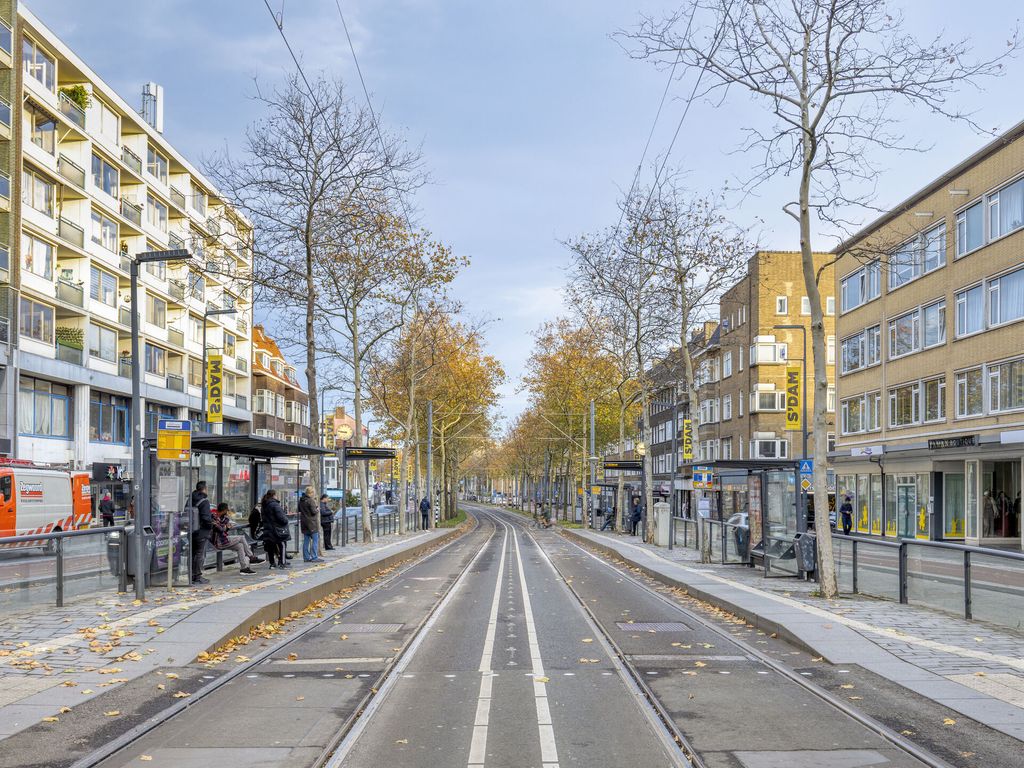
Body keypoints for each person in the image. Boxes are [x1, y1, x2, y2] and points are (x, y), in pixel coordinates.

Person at [211, 503, 264, 574]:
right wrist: (226, 527)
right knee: (241, 537)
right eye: (226, 510)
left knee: (240, 546)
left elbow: (223, 529)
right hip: (218, 542)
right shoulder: (214, 516)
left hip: (223, 540)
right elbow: (219, 529)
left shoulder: (224, 518)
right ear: (224, 510)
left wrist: (227, 526)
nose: (227, 512)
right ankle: (251, 557)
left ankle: (244, 568)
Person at [190, 481, 214, 585]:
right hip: (201, 531)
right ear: (204, 489)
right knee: (199, 554)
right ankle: (197, 576)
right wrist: (210, 525)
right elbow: (205, 518)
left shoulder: (190, 499)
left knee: (193, 554)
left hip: (191, 530)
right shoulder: (204, 501)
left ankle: (192, 575)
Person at [261, 490, 289, 569]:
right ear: (274, 495)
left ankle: (272, 563)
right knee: (282, 544)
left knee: (270, 546)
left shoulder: (264, 505)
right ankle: (283, 563)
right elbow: (281, 518)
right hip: (276, 529)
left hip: (268, 529)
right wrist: (286, 520)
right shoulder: (274, 504)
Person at [298, 486, 323, 563]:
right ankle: (314, 557)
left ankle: (306, 557)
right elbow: (313, 511)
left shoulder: (301, 500)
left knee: (306, 541)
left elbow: (299, 510)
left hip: (304, 523)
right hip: (312, 523)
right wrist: (317, 509)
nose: (313, 494)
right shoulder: (310, 501)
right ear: (311, 493)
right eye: (313, 493)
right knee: (315, 540)